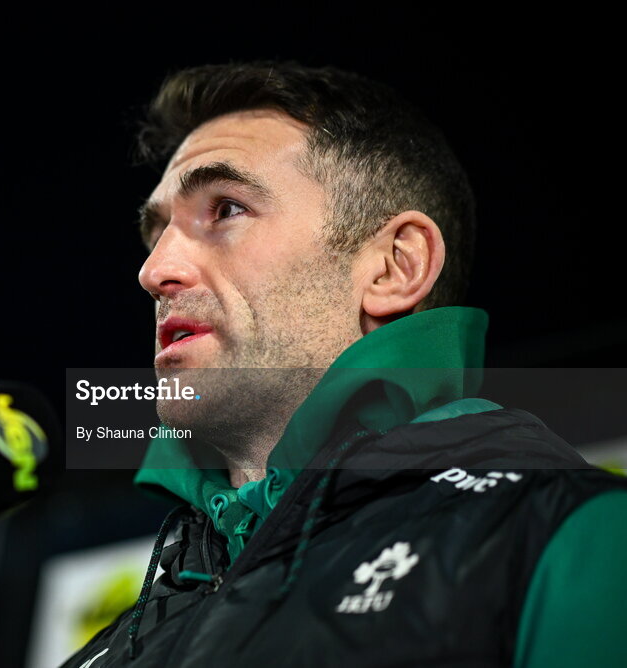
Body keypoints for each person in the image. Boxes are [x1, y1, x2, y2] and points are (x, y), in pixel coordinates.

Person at [60, 61, 627, 668]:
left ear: (393, 268)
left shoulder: (576, 538)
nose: (154, 272)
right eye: (157, 235)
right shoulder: (109, 650)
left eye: (225, 208)